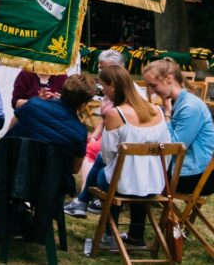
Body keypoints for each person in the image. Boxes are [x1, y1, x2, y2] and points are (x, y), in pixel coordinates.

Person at [68, 66, 169, 249]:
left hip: (122, 185)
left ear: (112, 86)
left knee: (111, 176)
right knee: (134, 177)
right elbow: (166, 150)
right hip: (154, 183)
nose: (102, 91)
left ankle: (109, 235)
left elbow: (107, 156)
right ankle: (136, 236)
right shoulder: (158, 111)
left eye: (103, 86)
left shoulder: (116, 114)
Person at [0, 74, 95, 229]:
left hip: (9, 172)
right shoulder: (79, 132)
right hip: (47, 185)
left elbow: (11, 131)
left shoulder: (33, 105)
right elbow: (74, 168)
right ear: (82, 104)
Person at [66, 49, 131, 217]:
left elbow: (109, 151)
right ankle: (84, 198)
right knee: (94, 146)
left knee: (96, 152)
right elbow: (104, 119)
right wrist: (95, 132)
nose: (101, 71)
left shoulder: (125, 93)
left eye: (104, 68)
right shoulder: (114, 91)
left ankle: (85, 197)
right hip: (118, 140)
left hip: (123, 143)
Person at [144, 58, 214, 196]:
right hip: (182, 169)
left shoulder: (190, 107)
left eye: (154, 86)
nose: (152, 92)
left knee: (138, 175)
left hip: (194, 175)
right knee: (135, 170)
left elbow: (174, 147)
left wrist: (167, 115)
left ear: (169, 78)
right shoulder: (179, 102)